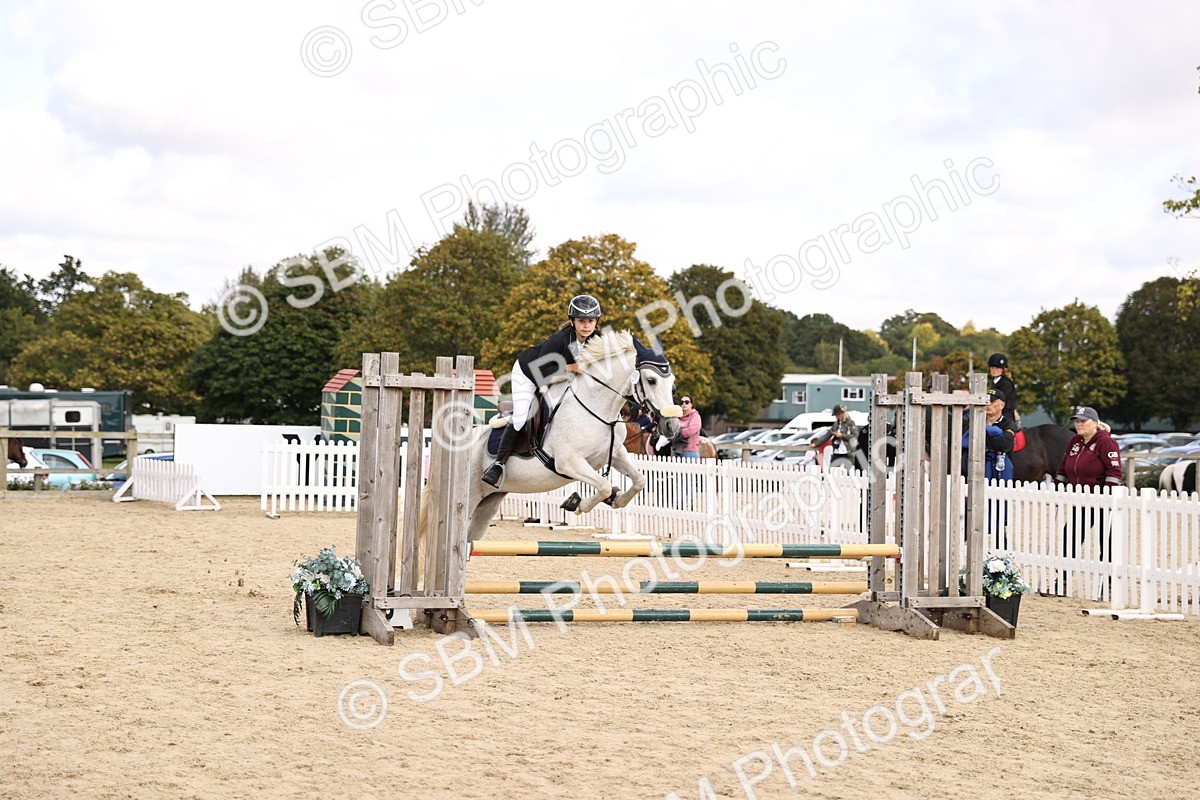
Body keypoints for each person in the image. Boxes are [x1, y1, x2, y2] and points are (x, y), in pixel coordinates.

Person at [481, 294, 603, 488]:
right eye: (581, 321)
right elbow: (541, 371)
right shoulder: (560, 339)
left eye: (590, 321)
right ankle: (498, 465)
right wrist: (571, 368)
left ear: (596, 322)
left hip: (560, 377)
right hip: (529, 373)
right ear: (572, 321)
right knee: (522, 416)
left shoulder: (598, 340)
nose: (586, 326)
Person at [1054, 406, 1123, 590]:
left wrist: (1105, 495)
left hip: (1103, 501)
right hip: (1081, 499)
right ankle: (1063, 578)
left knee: (1106, 541)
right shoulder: (1075, 442)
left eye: (1083, 421)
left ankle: (1107, 584)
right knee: (1070, 537)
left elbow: (1114, 471)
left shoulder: (1105, 442)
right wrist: (1057, 486)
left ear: (1095, 423)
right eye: (1077, 421)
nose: (1079, 424)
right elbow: (1063, 468)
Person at [962, 388, 1017, 482]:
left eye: (992, 401)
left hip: (1001, 475)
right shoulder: (973, 422)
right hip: (976, 473)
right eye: (986, 401)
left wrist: (985, 438)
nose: (988, 404)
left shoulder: (1008, 424)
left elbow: (1005, 444)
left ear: (1002, 405)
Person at [814, 405, 859, 470]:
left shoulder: (851, 424)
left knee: (849, 471)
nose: (837, 417)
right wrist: (816, 443)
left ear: (843, 413)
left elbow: (855, 436)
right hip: (837, 451)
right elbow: (827, 435)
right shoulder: (836, 424)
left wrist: (842, 435)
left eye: (838, 414)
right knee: (832, 470)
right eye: (836, 415)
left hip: (848, 451)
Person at [986, 353, 1021, 428]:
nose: (994, 370)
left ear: (1003, 369)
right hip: (995, 417)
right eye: (992, 367)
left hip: (1004, 419)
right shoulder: (994, 382)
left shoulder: (1006, 384)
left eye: (997, 368)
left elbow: (1000, 401)